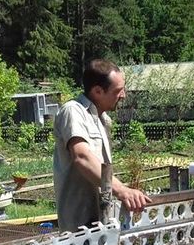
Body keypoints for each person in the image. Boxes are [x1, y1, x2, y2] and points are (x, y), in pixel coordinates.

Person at [53, 59, 150, 231]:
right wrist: (121, 190)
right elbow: (81, 157)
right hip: (79, 227)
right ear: (98, 91)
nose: (124, 95)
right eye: (118, 91)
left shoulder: (103, 119)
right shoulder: (73, 111)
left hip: (101, 221)